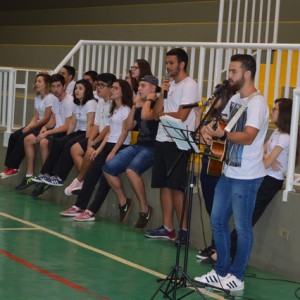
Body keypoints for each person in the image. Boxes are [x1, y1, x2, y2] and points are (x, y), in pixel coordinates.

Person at [194, 54, 269, 292]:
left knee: (242, 226)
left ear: (247, 73)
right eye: (229, 71)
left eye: (233, 72)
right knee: (217, 220)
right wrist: (207, 129)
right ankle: (221, 271)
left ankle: (237, 276)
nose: (229, 77)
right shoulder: (235, 98)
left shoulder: (257, 103)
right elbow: (222, 123)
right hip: (228, 172)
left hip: (247, 177)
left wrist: (222, 135)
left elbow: (248, 136)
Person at [145, 48, 199, 244]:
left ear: (182, 64)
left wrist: (163, 115)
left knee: (176, 187)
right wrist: (163, 93)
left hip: (178, 141)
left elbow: (182, 115)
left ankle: (183, 230)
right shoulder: (169, 85)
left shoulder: (190, 85)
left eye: (171, 63)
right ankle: (168, 228)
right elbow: (155, 113)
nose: (167, 67)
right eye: (166, 63)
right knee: (164, 185)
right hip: (162, 138)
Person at [60, 80, 133, 222]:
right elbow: (109, 131)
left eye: (116, 88)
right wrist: (98, 149)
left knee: (105, 180)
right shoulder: (114, 108)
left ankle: (91, 210)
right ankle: (79, 206)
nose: (112, 90)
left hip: (120, 146)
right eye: (111, 87)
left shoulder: (127, 110)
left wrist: (113, 152)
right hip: (108, 144)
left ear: (123, 92)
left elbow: (124, 133)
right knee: (92, 174)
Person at [229, 97, 292, 259]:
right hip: (264, 176)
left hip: (271, 181)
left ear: (284, 113)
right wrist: (265, 157)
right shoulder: (276, 132)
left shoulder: (285, 137)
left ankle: (230, 252)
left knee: (248, 218)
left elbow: (267, 162)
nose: (272, 111)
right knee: (243, 216)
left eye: (275, 109)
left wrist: (266, 158)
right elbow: (261, 153)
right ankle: (225, 251)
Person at [102, 75, 160, 228]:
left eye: (143, 85)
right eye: (139, 85)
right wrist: (134, 106)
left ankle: (144, 209)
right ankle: (123, 201)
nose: (139, 88)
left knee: (131, 171)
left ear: (153, 88)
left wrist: (146, 102)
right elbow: (127, 127)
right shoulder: (139, 104)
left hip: (153, 147)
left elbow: (148, 116)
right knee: (108, 168)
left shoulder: (158, 104)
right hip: (138, 145)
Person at [31, 79, 97, 197]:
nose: (77, 91)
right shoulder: (77, 103)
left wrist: (87, 141)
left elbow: (90, 123)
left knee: (68, 145)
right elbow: (72, 123)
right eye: (76, 88)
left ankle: (60, 177)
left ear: (87, 90)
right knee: (60, 142)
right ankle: (46, 173)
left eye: (80, 89)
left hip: (88, 133)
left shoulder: (90, 103)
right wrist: (67, 137)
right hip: (79, 131)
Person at [15, 74, 74, 191]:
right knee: (28, 139)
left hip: (65, 131)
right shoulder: (56, 100)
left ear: (64, 86)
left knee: (43, 142)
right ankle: (31, 175)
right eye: (53, 86)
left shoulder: (69, 101)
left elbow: (67, 126)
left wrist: (47, 133)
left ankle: (46, 175)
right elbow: (53, 120)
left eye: (58, 86)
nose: (56, 89)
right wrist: (45, 127)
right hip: (56, 129)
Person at [63, 73, 116, 196]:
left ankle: (80, 180)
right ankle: (85, 181)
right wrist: (89, 140)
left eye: (102, 85)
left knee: (89, 151)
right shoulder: (101, 102)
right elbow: (96, 124)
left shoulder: (113, 103)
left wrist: (94, 142)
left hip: (108, 138)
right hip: (98, 134)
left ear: (110, 88)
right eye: (97, 85)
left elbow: (108, 128)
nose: (98, 88)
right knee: (75, 149)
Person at [0, 73, 54, 179]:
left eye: (39, 81)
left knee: (23, 137)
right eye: (36, 81)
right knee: (14, 136)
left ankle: (15, 167)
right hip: (38, 123)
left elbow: (46, 118)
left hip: (45, 125)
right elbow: (35, 116)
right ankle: (9, 167)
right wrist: (28, 126)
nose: (36, 83)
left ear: (46, 84)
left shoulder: (50, 97)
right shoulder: (38, 97)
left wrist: (30, 128)